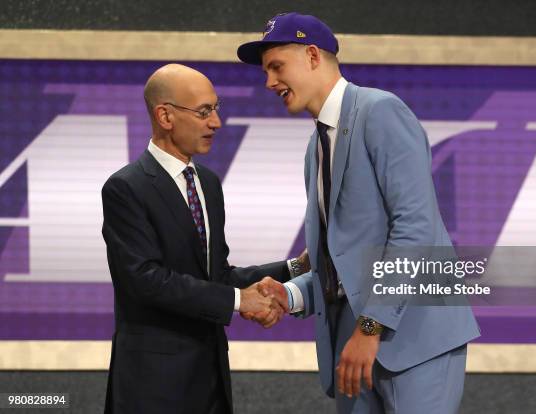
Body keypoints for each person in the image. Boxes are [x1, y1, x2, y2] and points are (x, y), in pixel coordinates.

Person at [237, 13, 481, 413]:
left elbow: (415, 230)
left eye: (276, 67)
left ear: (313, 55)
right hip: (352, 345)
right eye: (266, 72)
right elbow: (343, 262)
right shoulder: (313, 150)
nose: (269, 83)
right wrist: (292, 294)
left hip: (413, 338)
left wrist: (371, 327)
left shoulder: (380, 111)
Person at [101, 63, 308, 414]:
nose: (216, 122)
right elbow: (145, 281)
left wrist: (294, 267)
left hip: (211, 380)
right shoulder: (126, 188)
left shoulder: (208, 184)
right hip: (153, 386)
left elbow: (217, 276)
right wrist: (240, 301)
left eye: (216, 108)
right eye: (204, 111)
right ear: (165, 116)